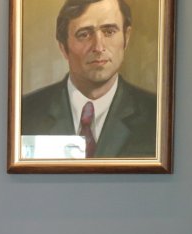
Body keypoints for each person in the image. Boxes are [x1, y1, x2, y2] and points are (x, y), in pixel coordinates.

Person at [21, 0, 156, 158]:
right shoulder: (25, 113)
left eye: (109, 32)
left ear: (126, 37)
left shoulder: (156, 114)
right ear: (63, 47)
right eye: (84, 34)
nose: (98, 47)